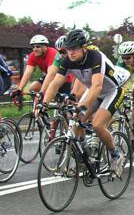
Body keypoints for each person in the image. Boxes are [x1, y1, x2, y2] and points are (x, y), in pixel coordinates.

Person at [39, 29, 127, 175]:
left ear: (84, 48)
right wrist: (44, 104)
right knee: (77, 122)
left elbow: (97, 86)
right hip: (93, 91)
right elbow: (55, 83)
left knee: (97, 125)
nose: (70, 53)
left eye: (74, 49)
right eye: (68, 49)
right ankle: (85, 159)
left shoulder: (95, 57)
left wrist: (83, 106)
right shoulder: (67, 60)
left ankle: (115, 154)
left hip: (112, 91)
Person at [13, 35, 74, 100]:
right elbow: (27, 73)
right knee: (33, 88)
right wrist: (19, 89)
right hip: (49, 76)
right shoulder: (33, 55)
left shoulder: (52, 53)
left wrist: (42, 92)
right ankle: (38, 105)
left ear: (45, 47)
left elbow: (51, 74)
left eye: (38, 46)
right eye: (33, 47)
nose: (35, 49)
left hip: (65, 78)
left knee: (65, 102)